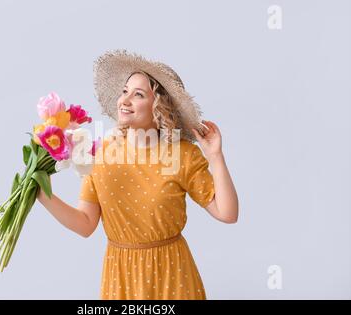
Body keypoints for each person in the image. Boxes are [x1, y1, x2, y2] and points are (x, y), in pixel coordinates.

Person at [37, 49, 239, 299]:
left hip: (173, 277)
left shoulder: (182, 155)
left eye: (138, 94)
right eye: (125, 91)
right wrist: (42, 194)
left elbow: (227, 213)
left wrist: (216, 156)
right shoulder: (101, 153)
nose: (125, 100)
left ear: (159, 107)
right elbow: (85, 224)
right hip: (120, 278)